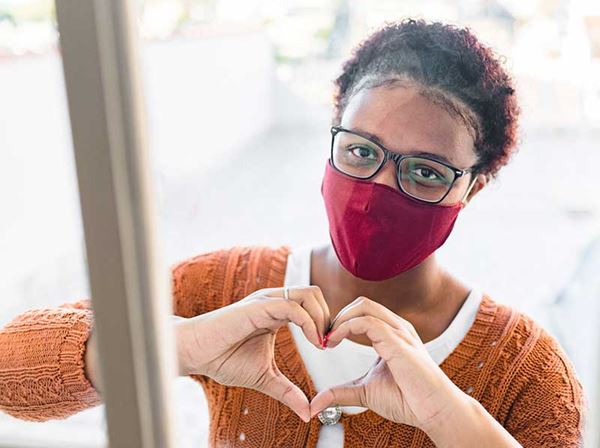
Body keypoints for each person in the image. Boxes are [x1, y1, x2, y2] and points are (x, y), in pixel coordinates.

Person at [0, 18, 586, 448]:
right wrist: (173, 347)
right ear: (330, 139)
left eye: (426, 172)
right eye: (360, 151)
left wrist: (452, 420)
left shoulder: (524, 369)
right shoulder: (235, 287)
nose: (379, 187)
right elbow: (10, 374)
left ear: (471, 189)